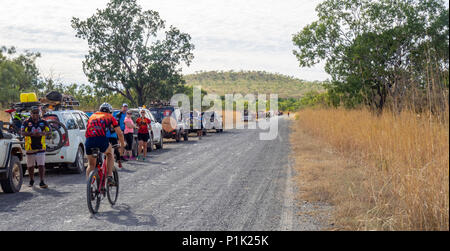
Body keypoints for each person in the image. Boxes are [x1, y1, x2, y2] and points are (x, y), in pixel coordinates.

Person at [85, 103, 125, 185]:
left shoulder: (92, 116)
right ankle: (109, 176)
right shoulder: (110, 117)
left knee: (91, 165)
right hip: (101, 139)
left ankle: (89, 185)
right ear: (110, 111)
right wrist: (122, 144)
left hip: (89, 141)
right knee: (110, 154)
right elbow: (120, 133)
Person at [21, 107, 51, 188]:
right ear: (31, 113)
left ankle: (42, 181)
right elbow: (22, 132)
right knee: (30, 166)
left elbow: (49, 131)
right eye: (33, 113)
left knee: (41, 165)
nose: (35, 115)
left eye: (37, 113)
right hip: (30, 147)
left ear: (39, 113)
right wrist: (31, 134)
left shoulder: (44, 122)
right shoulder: (26, 122)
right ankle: (31, 180)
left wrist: (42, 133)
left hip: (41, 146)